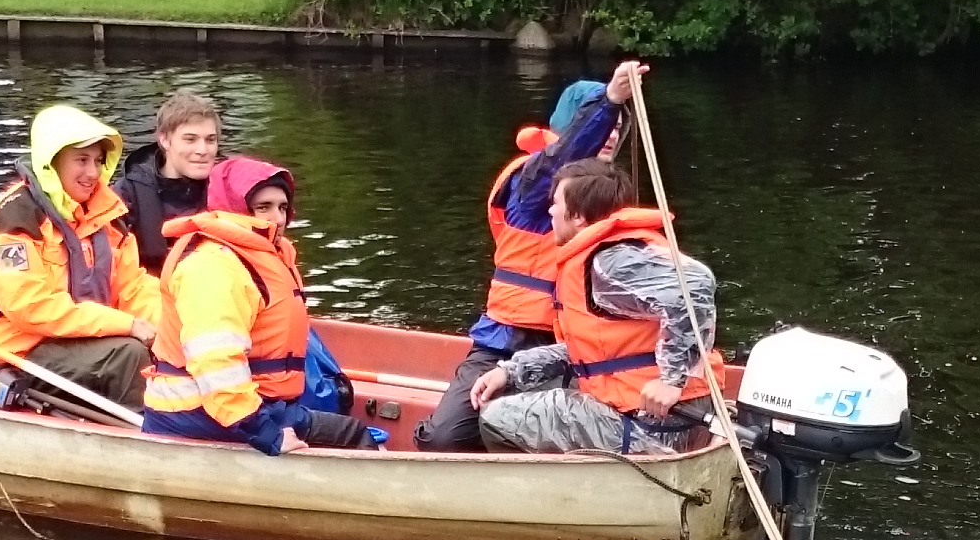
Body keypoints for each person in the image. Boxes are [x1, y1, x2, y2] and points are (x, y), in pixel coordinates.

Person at [419, 58, 650, 451]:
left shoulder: (610, 201)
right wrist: (610, 100)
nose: (610, 135)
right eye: (601, 126)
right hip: (505, 340)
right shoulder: (533, 185)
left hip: (577, 349)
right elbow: (564, 158)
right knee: (444, 438)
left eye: (616, 128)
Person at [469, 159, 720, 455]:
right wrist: (512, 371)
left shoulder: (608, 262)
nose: (550, 210)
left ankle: (569, 496)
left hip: (657, 427)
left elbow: (695, 285)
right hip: (662, 418)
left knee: (498, 418)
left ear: (578, 218)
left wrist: (672, 381)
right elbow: (590, 351)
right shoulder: (612, 254)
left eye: (557, 202)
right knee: (520, 386)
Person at [140, 156, 376, 452]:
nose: (276, 218)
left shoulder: (261, 253)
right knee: (353, 434)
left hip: (236, 405)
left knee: (334, 416)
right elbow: (216, 364)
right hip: (196, 411)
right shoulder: (214, 266)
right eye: (263, 207)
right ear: (234, 207)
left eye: (282, 207)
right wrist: (265, 431)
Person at [0, 103, 160, 409]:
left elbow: (134, 287)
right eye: (81, 160)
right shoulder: (11, 222)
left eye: (98, 161)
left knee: (167, 347)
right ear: (52, 163)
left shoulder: (108, 216)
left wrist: (170, 327)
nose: (93, 172)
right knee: (128, 354)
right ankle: (147, 437)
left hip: (89, 339)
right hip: (20, 352)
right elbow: (30, 307)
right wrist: (126, 324)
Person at [112, 90, 225, 262]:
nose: (203, 151)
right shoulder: (127, 195)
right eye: (190, 140)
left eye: (210, 140)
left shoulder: (229, 190)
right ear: (164, 140)